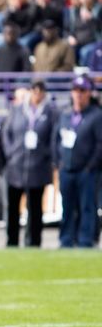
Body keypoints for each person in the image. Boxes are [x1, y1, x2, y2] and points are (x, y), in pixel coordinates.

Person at [1, 79, 57, 247]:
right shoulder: (17, 110)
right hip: (16, 164)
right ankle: (12, 241)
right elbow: (6, 133)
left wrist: (46, 154)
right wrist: (11, 153)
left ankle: (34, 241)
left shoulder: (51, 113)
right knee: (12, 207)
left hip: (38, 165)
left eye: (40, 90)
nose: (37, 94)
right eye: (34, 90)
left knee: (35, 207)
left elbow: (53, 138)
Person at [53, 74, 102, 248]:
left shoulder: (96, 116)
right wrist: (58, 162)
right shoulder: (65, 114)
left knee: (87, 206)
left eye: (82, 90)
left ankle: (85, 239)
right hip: (67, 168)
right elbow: (56, 139)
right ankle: (66, 239)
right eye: (76, 90)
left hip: (86, 170)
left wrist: (91, 166)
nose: (78, 94)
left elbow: (99, 144)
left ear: (89, 93)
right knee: (67, 207)